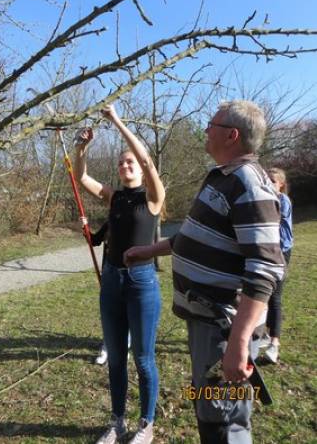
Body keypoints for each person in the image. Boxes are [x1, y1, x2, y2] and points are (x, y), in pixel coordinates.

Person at [124, 100, 285, 444]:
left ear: (231, 135)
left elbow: (266, 268)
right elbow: (194, 236)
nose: (205, 130)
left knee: (225, 420)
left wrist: (239, 343)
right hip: (206, 323)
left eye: (211, 124)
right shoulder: (223, 178)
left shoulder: (248, 184)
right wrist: (149, 251)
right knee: (210, 407)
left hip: (224, 327)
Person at [74, 104, 165, 444]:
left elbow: (148, 162)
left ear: (139, 169)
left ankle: (146, 424)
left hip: (142, 282)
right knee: (115, 358)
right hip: (112, 280)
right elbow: (82, 177)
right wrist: (81, 148)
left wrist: (116, 121)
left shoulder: (153, 198)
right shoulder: (114, 198)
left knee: (143, 359)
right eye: (121, 162)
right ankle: (117, 422)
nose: (126, 165)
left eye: (130, 162)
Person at [259, 167, 293, 364]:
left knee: (275, 297)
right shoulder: (265, 199)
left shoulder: (282, 201)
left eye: (272, 180)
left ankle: (274, 343)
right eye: (266, 179)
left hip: (281, 251)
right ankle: (263, 334)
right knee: (261, 296)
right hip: (266, 250)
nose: (268, 183)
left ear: (281, 184)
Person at [90, 221, 131, 365]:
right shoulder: (110, 223)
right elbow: (95, 240)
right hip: (109, 274)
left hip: (129, 274)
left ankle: (123, 347)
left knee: (126, 313)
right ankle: (107, 346)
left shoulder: (134, 223)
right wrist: (86, 227)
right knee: (109, 313)